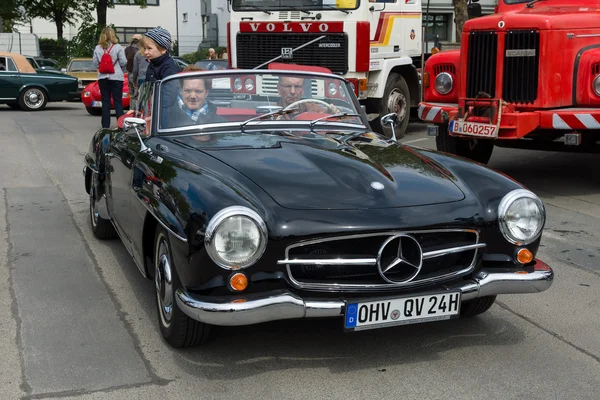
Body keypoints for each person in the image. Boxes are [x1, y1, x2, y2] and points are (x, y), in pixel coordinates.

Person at [92, 26, 127, 129]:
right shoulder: (118, 47)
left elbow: (95, 63)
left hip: (103, 78)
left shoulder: (98, 48)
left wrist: (102, 67)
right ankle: (120, 125)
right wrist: (118, 67)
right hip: (116, 77)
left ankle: (105, 125)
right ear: (113, 35)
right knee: (118, 101)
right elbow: (123, 61)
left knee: (105, 101)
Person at [131, 42, 149, 109]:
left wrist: (134, 80)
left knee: (141, 98)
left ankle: (142, 111)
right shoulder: (151, 53)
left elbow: (135, 69)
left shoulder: (138, 54)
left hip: (141, 78)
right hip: (151, 78)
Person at [124, 34, 141, 98]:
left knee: (131, 90)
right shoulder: (141, 49)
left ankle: (132, 103)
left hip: (129, 71)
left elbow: (124, 61)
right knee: (137, 91)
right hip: (138, 72)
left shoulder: (127, 49)